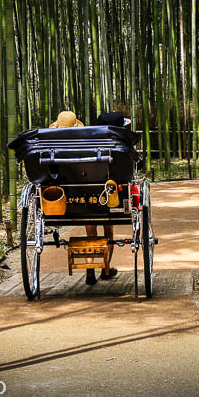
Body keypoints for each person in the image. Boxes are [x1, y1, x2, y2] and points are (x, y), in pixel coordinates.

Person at [49, 110, 116, 285]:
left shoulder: (50, 145)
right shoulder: (86, 143)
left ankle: (90, 270)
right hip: (102, 192)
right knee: (108, 231)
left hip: (69, 194)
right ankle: (105, 269)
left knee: (90, 231)